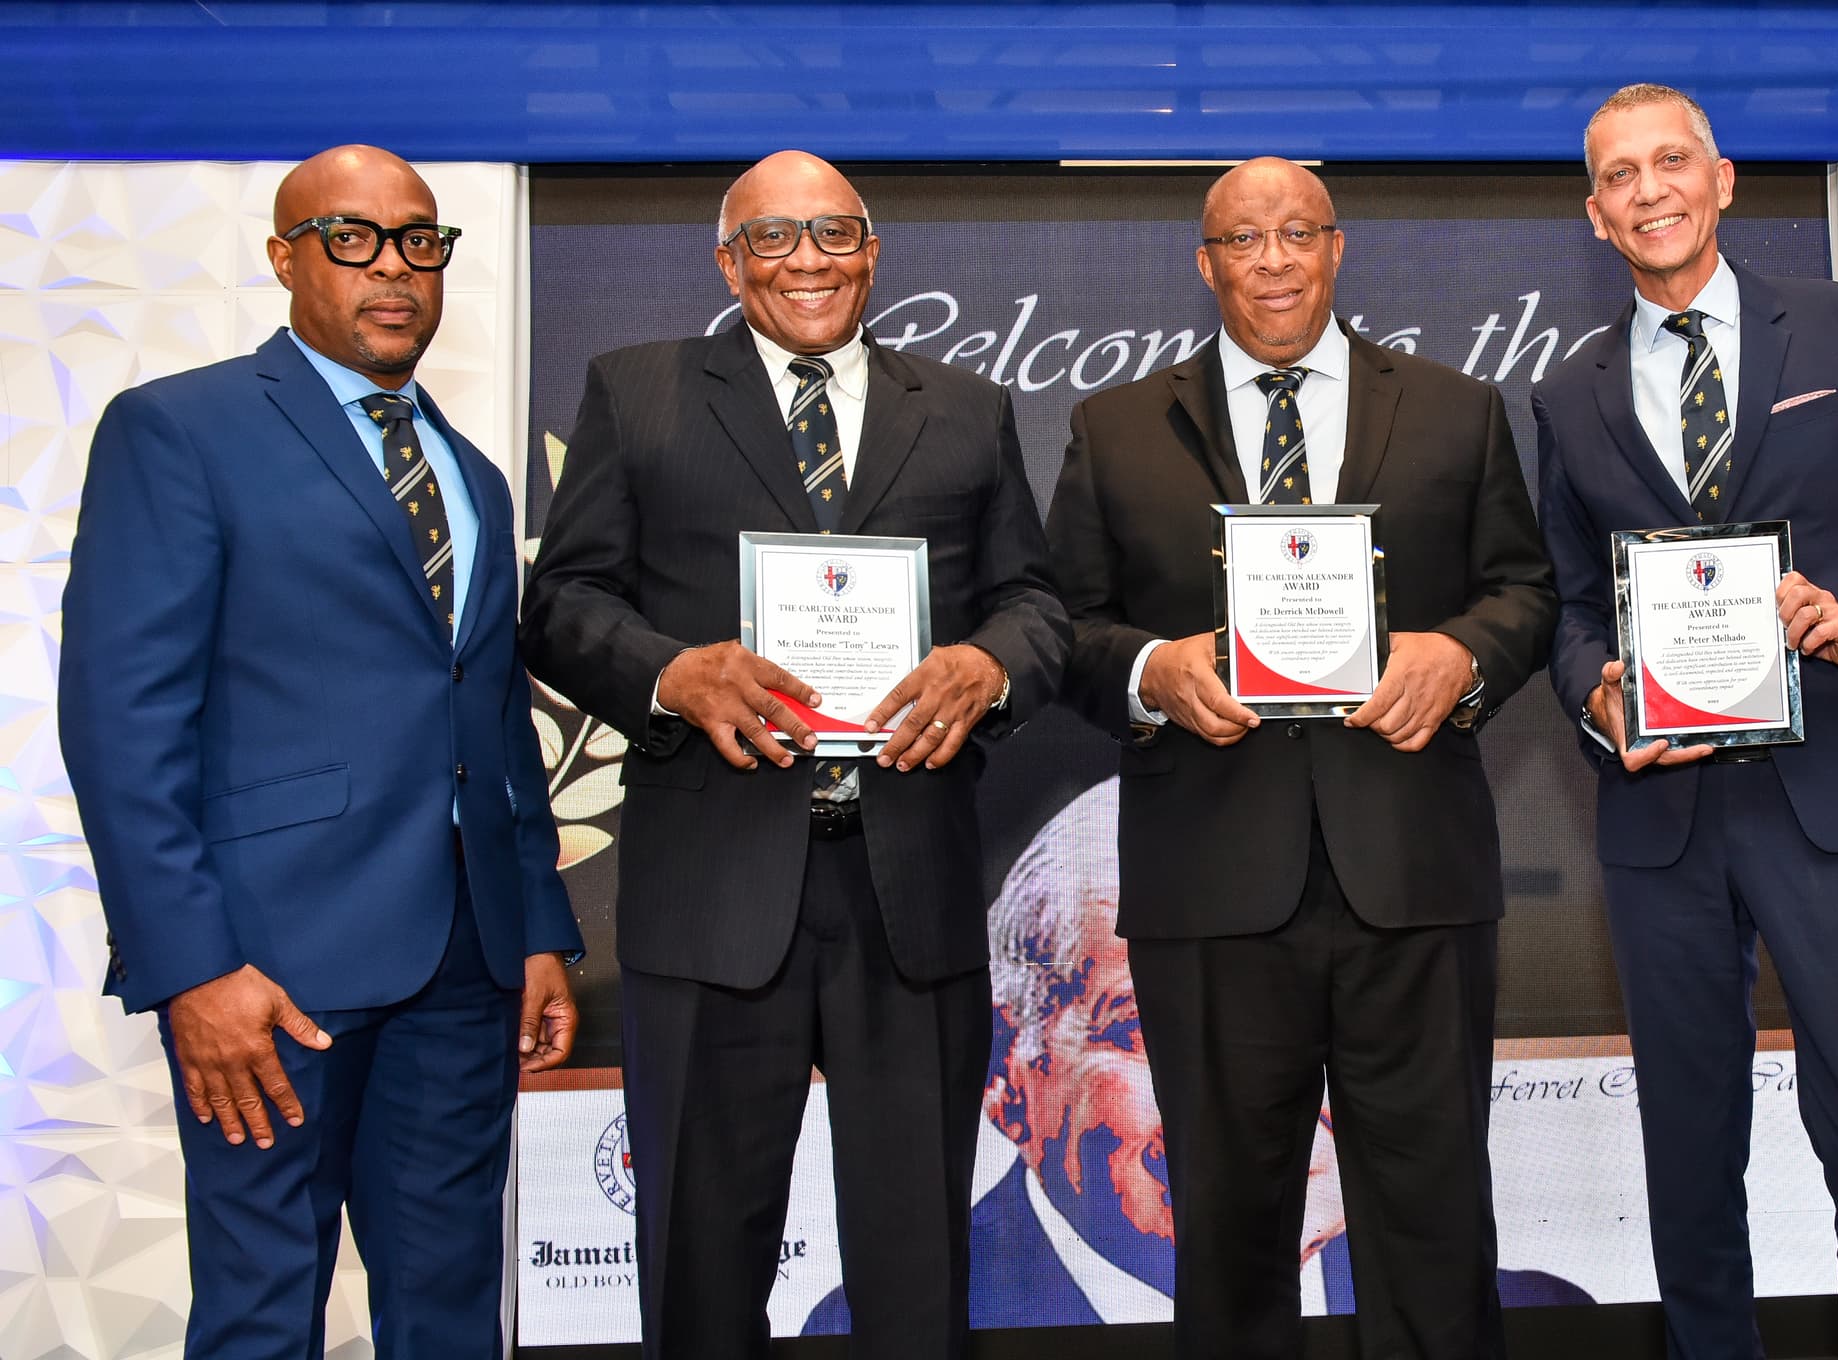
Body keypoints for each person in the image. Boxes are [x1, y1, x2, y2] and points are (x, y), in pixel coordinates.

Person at [518, 150, 1069, 1359]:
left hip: (908, 891)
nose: (805, 259)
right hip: (714, 890)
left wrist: (987, 669)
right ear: (728, 262)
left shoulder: (964, 406)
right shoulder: (641, 390)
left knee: (917, 1268)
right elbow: (560, 604)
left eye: (832, 233)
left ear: (872, 251)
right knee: (701, 1267)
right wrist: (671, 672)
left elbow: (1034, 603)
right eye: (771, 238)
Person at [57, 145, 583, 1358]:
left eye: (417, 239)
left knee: (450, 1309)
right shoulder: (177, 430)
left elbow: (492, 717)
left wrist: (542, 923)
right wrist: (191, 967)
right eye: (351, 237)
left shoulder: (471, 469)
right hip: (269, 968)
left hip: (467, 964)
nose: (391, 267)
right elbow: (121, 721)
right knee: (261, 1312)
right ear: (285, 258)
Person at [1043, 157, 1559, 1360]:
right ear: (1203, 262)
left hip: (1410, 871)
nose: (1269, 259)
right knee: (1225, 1222)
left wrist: (1462, 656)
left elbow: (1526, 592)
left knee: (1430, 1216)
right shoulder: (1114, 427)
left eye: (1294, 233)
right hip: (1209, 881)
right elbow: (1057, 626)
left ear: (1335, 249)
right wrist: (1149, 670)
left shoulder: (1453, 407)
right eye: (1241, 239)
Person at [1534, 84, 1838, 1358]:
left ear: (1721, 179)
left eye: (1669, 162)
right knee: (1687, 1147)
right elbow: (1569, 607)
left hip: (1829, 799)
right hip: (1659, 810)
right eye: (1618, 176)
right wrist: (1593, 689)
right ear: (1592, 214)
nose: (1647, 191)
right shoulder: (1566, 393)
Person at [806, 777, 1589, 1336]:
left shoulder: (1531, 1308)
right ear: (1013, 1073)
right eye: (1141, 1026)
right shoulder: (871, 1321)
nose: (1258, 1053)